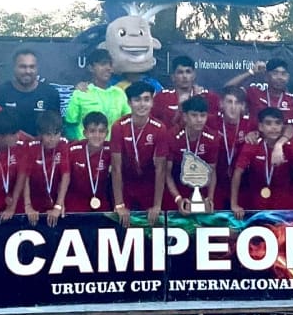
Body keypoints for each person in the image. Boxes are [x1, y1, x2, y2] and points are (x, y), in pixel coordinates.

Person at [230, 108, 293, 220]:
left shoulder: (292, 145)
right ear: (261, 127)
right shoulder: (252, 144)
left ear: (282, 126)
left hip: (284, 205)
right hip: (256, 204)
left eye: (277, 123)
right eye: (268, 123)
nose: (274, 127)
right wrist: (234, 204)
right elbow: (237, 173)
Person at [110, 81, 169, 227]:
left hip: (148, 187)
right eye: (137, 100)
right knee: (122, 227)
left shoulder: (160, 128)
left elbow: (161, 169)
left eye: (146, 99)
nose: (142, 104)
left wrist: (157, 205)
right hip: (125, 185)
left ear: (152, 102)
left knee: (151, 229)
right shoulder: (119, 127)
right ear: (129, 103)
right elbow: (116, 168)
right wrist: (119, 204)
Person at [165, 97, 220, 213]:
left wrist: (210, 198)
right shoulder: (172, 136)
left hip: (202, 189)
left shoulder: (212, 138)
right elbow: (167, 173)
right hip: (177, 187)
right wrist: (178, 199)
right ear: (185, 117)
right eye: (194, 115)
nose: (199, 120)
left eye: (203, 115)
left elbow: (212, 171)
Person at [0, 48, 61, 137]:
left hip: (40, 148)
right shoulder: (0, 93)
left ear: (37, 68)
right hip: (9, 148)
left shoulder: (51, 94)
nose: (27, 71)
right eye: (23, 67)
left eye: (32, 67)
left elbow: (56, 127)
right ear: (14, 67)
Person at [64, 49, 130, 141]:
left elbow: (129, 122)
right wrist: (79, 147)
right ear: (91, 68)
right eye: (103, 64)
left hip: (112, 151)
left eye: (110, 65)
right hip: (86, 150)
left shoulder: (119, 93)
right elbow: (70, 125)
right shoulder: (81, 93)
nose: (108, 68)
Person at [19, 110, 71, 227]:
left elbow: (65, 175)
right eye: (48, 134)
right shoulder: (30, 146)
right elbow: (25, 178)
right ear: (40, 133)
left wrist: (58, 205)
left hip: (56, 197)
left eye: (56, 134)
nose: (52, 139)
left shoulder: (64, 144)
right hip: (35, 197)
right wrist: (28, 206)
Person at [224, 59, 293, 129]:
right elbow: (227, 90)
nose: (280, 77)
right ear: (266, 77)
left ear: (288, 78)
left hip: (283, 140)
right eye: (275, 73)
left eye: (283, 74)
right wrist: (251, 72)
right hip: (255, 139)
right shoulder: (255, 93)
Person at [152, 55, 221, 131]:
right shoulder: (162, 98)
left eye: (188, 72)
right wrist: (179, 111)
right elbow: (157, 129)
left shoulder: (208, 97)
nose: (184, 76)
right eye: (180, 72)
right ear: (173, 77)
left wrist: (196, 101)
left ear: (194, 75)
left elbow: (214, 127)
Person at [66, 112, 112, 212]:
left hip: (102, 204)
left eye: (101, 131)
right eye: (92, 131)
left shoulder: (111, 150)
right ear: (85, 133)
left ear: (107, 133)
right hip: (75, 203)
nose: (97, 135)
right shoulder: (73, 150)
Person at [215, 86, 252, 211]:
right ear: (221, 104)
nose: (233, 107)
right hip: (216, 186)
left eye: (237, 103)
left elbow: (285, 127)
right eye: (229, 102)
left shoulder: (251, 124)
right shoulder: (212, 121)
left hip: (244, 186)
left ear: (243, 107)